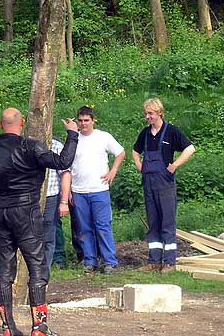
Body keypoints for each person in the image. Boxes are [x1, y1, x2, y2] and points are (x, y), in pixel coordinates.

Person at [0, 108, 78, 336]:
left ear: (0, 125)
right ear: (21, 124)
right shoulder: (30, 147)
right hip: (26, 211)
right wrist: (72, 135)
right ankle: (39, 328)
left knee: (5, 269)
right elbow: (63, 161)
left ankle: (7, 326)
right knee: (37, 267)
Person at [132, 98, 195, 274]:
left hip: (165, 184)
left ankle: (169, 262)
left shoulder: (171, 132)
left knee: (167, 223)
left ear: (160, 112)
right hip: (149, 184)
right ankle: (154, 261)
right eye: (145, 114)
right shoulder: (145, 133)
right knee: (153, 223)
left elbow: (190, 148)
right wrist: (139, 165)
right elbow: (135, 151)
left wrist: (175, 165)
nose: (147, 117)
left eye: (150, 113)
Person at [64, 105, 125, 275]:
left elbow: (120, 153)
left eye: (86, 120)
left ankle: (109, 262)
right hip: (79, 190)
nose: (83, 124)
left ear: (92, 120)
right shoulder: (73, 139)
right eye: (80, 120)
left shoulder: (103, 137)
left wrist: (112, 171)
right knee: (84, 229)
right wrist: (67, 190)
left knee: (103, 226)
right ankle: (89, 261)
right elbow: (67, 166)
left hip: (99, 189)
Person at [42, 137, 70, 275]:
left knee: (49, 236)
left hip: (51, 196)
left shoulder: (56, 146)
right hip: (30, 197)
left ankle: (43, 274)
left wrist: (64, 201)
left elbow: (65, 173)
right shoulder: (26, 143)